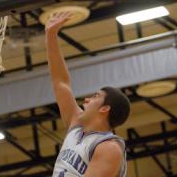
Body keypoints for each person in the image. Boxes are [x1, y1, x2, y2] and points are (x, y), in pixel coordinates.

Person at [45, 12, 131, 177]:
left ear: (105, 108)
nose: (86, 99)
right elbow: (60, 82)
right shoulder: (76, 125)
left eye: (95, 96)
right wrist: (51, 35)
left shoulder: (108, 147)